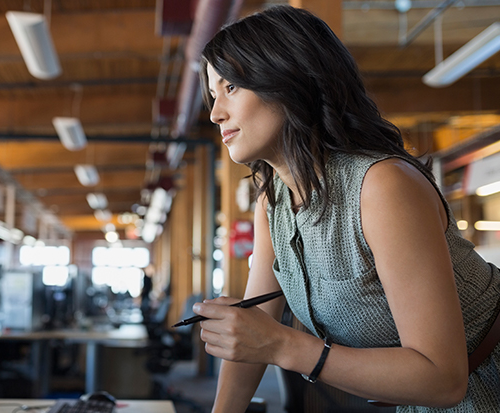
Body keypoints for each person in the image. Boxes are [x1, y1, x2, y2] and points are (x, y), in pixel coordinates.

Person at [193, 5, 500, 413]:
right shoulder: (274, 204)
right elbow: (256, 327)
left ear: (288, 78)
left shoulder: (381, 185)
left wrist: (284, 346)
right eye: (213, 95)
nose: (216, 113)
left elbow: (443, 378)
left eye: (231, 87)